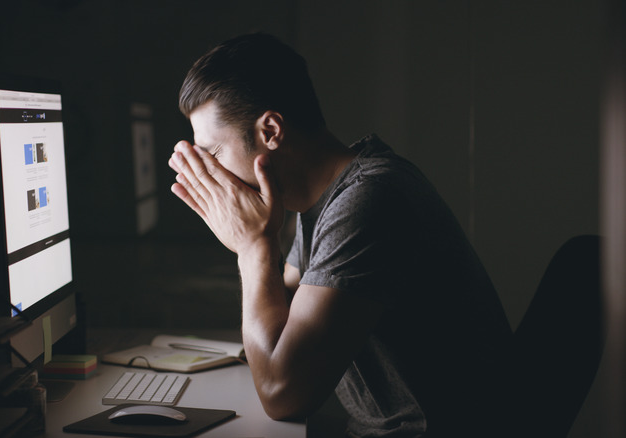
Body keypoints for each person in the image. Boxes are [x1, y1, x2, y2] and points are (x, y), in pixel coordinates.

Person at [168, 33, 513, 437]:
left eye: (213, 155)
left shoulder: (368, 201)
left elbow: (282, 393)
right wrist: (255, 239)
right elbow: (283, 308)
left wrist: (252, 248)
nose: (214, 176)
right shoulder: (324, 197)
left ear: (271, 131)